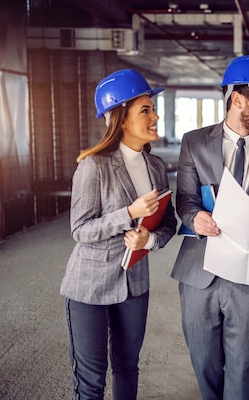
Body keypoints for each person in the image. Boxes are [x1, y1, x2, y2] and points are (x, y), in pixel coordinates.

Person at [171, 55, 249, 400]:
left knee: (242, 363)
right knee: (204, 359)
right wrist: (194, 218)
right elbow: (185, 200)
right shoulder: (194, 142)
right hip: (200, 270)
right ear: (238, 99)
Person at [60, 69, 177, 400]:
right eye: (145, 110)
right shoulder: (93, 166)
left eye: (153, 109)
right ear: (121, 119)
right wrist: (127, 214)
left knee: (128, 367)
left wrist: (149, 241)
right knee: (91, 379)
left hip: (135, 284)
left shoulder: (155, 167)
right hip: (88, 288)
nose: (155, 116)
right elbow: (80, 229)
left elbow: (168, 220)